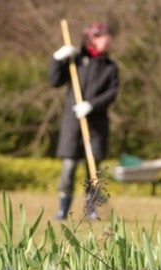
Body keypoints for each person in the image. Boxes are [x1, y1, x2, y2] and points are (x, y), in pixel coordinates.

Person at [49, 23, 119, 220]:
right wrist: (57, 59)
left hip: (96, 125)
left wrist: (91, 105)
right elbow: (54, 81)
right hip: (73, 124)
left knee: (93, 167)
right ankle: (63, 209)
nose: (108, 40)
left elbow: (112, 93)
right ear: (92, 39)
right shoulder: (76, 61)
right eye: (103, 36)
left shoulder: (110, 67)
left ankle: (91, 209)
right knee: (69, 166)